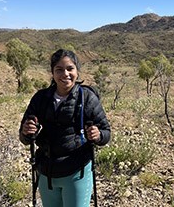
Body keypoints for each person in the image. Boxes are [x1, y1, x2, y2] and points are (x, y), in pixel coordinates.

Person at [19, 48, 111, 207]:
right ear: (52, 73)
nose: (65, 74)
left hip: (77, 172)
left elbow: (106, 133)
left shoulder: (87, 97)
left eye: (70, 69)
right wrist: (27, 132)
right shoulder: (41, 98)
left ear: (77, 71)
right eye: (59, 70)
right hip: (46, 172)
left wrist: (98, 135)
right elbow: (25, 137)